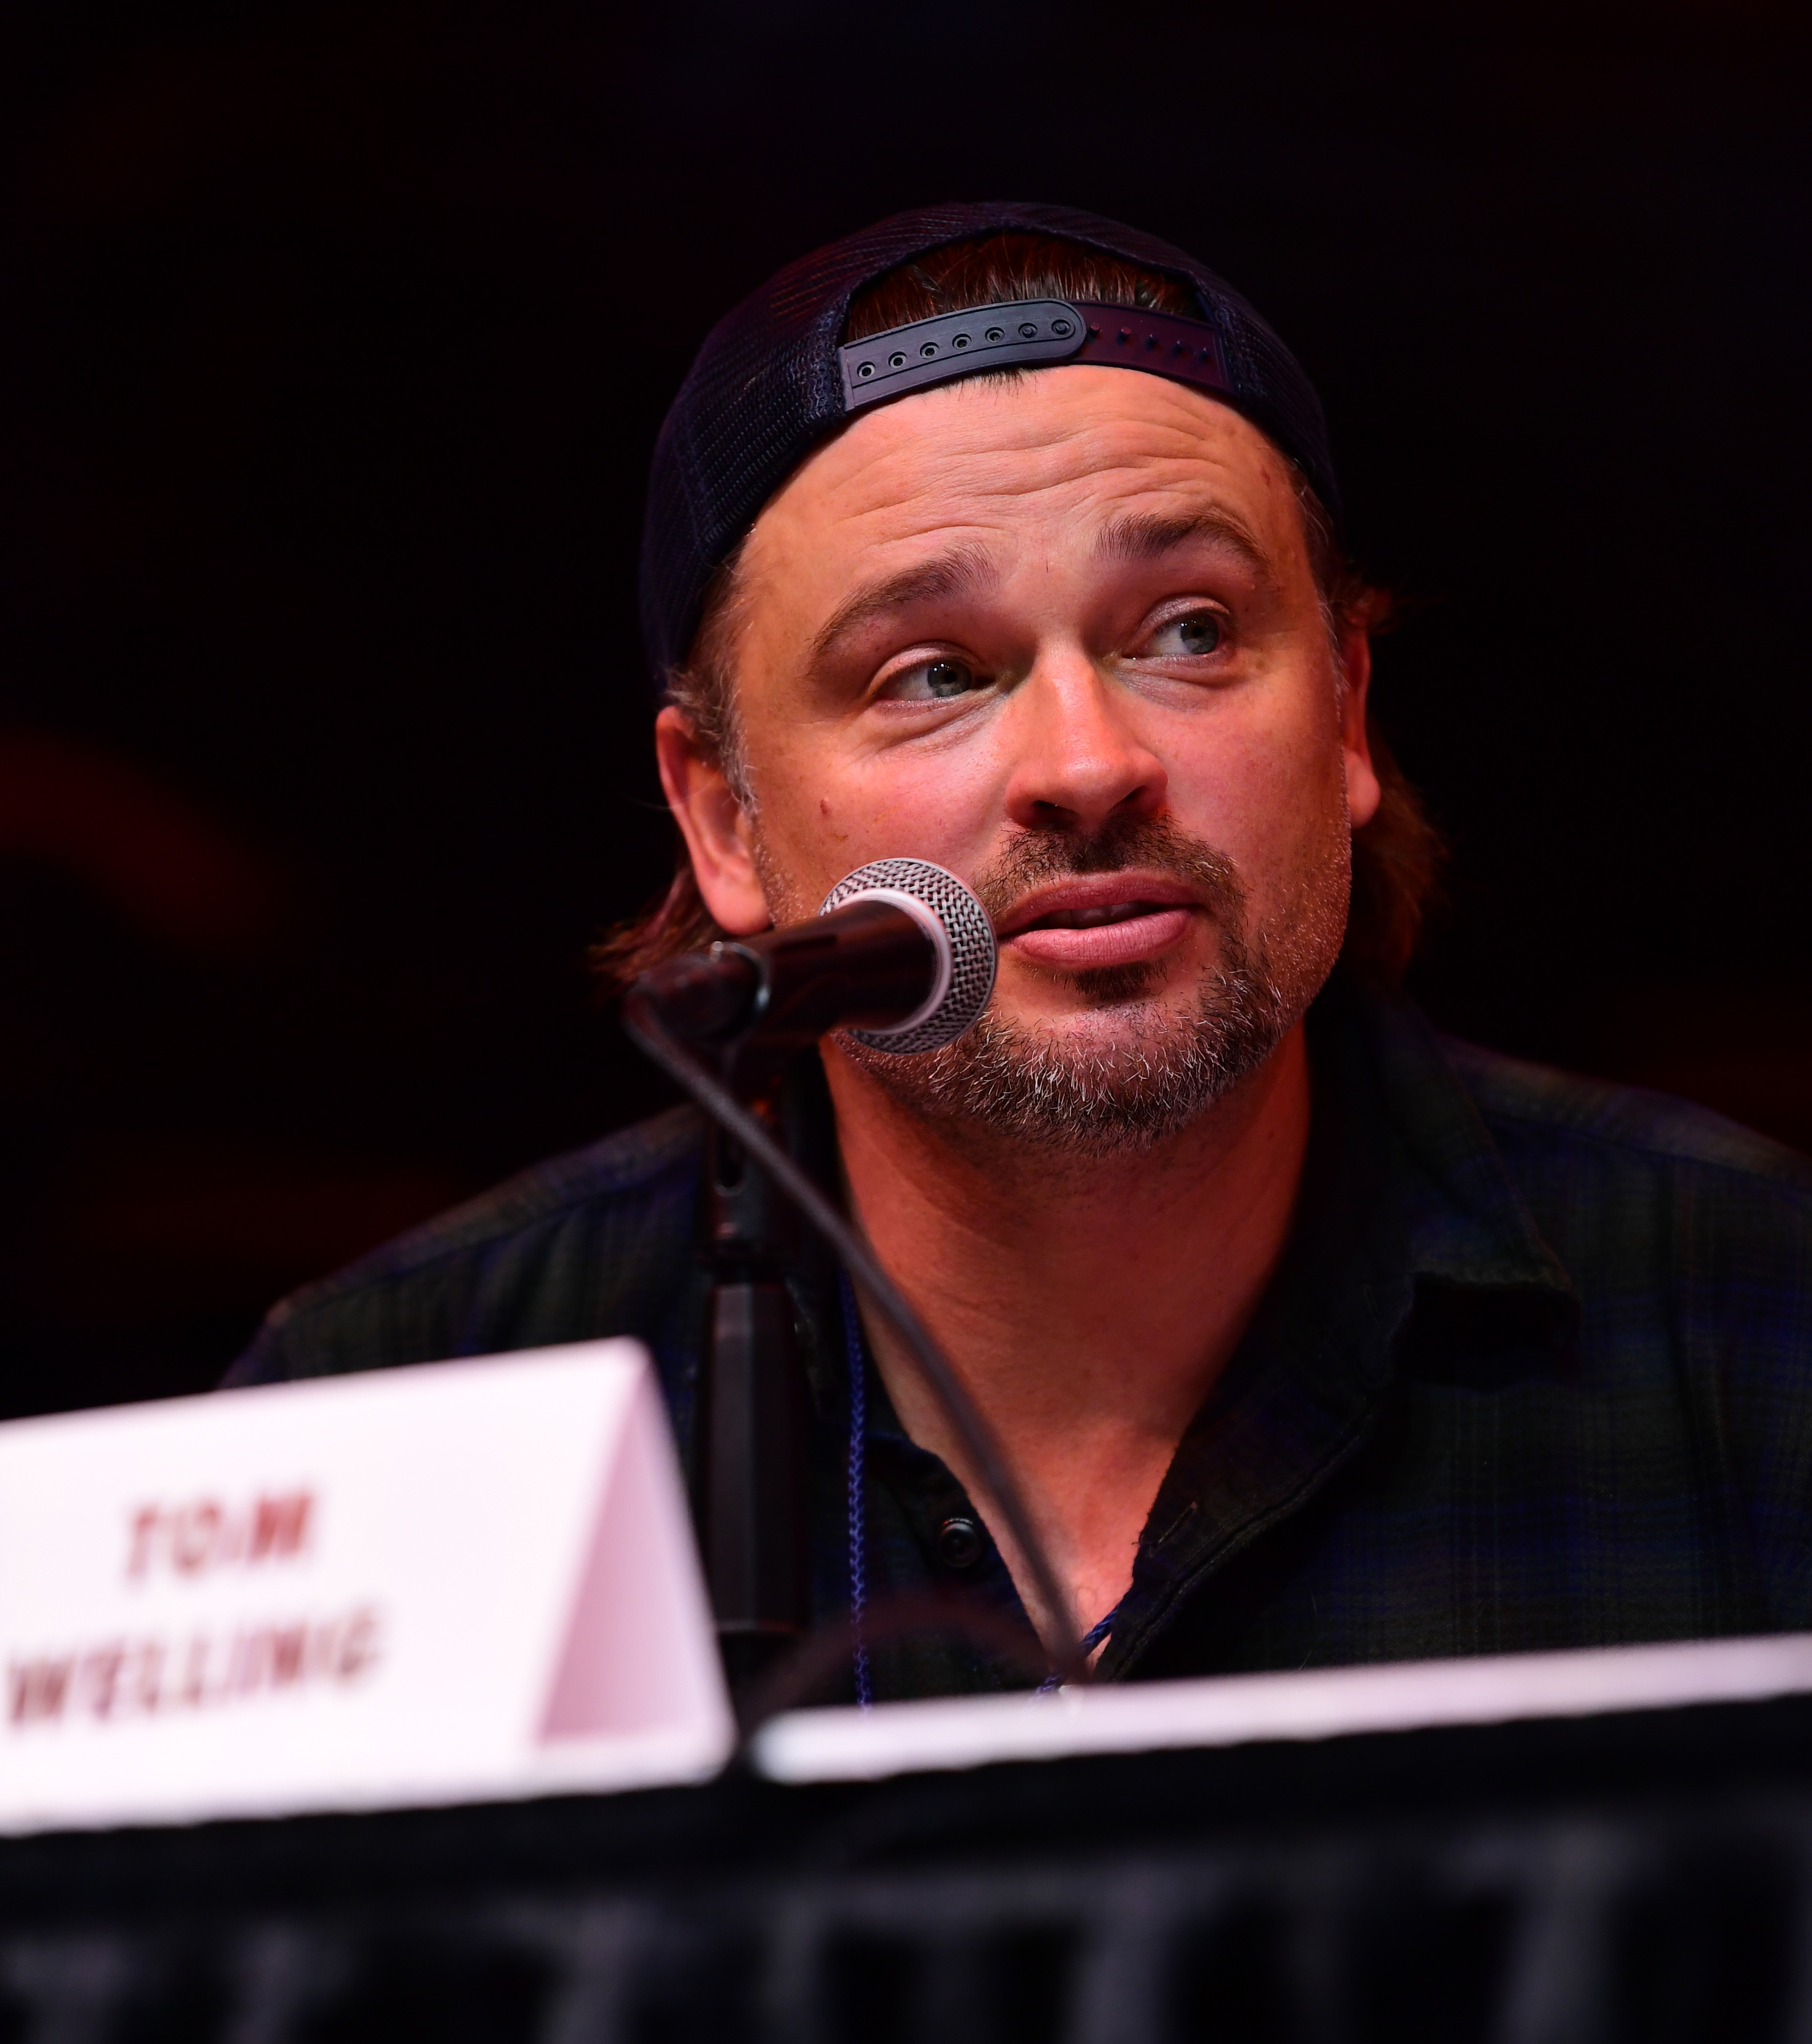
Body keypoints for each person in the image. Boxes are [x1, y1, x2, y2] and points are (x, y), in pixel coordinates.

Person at [226, 202, 1812, 1694]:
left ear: (1345, 712)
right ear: (722, 819)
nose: (1086, 759)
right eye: (930, 670)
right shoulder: (397, 1420)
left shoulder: (1753, 1324)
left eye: (1190, 630)